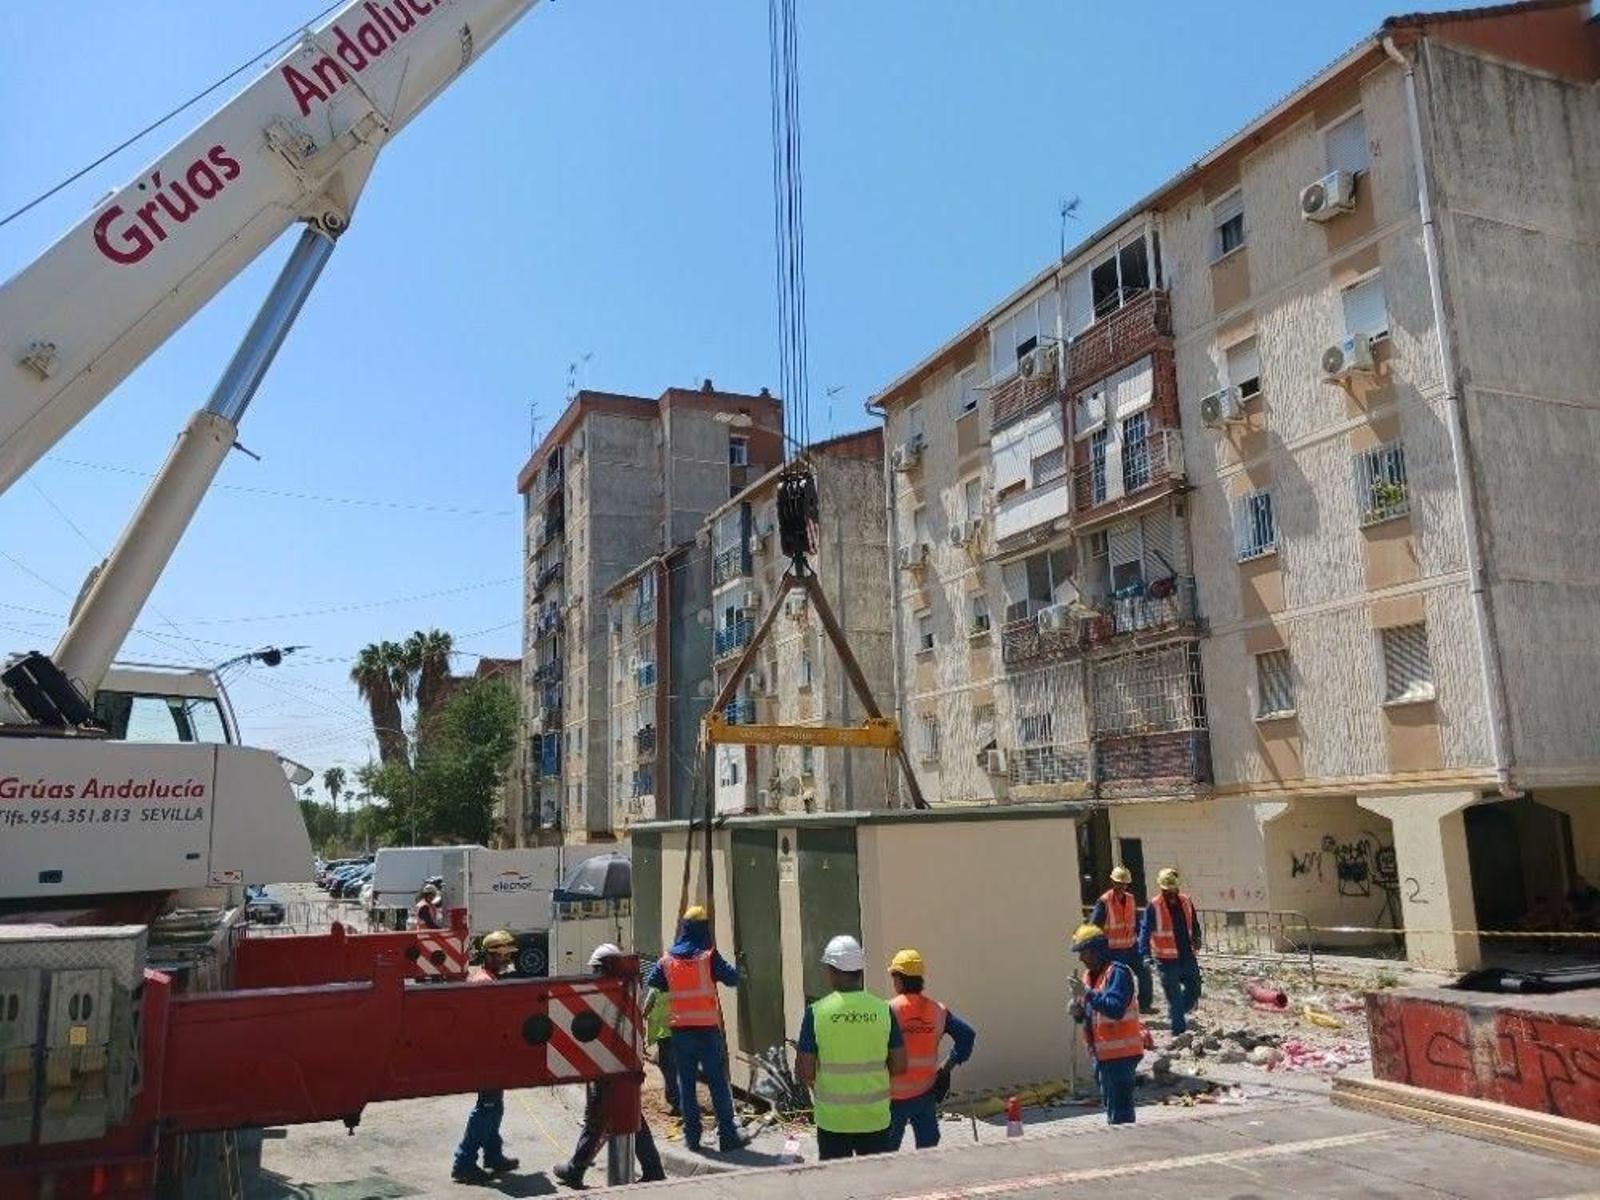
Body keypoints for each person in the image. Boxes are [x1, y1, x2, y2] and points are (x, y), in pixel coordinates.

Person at [553, 944, 666, 1188]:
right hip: (625, 1068)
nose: (593, 973)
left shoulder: (606, 995)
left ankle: (576, 1169)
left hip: (608, 1067)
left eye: (595, 969)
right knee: (631, 1115)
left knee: (597, 1118)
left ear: (603, 968)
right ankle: (653, 1168)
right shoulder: (630, 990)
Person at [643, 905, 745, 1153]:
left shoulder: (668, 959)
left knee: (686, 1086)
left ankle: (693, 1138)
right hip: (707, 1032)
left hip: (681, 1033)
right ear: (704, 929)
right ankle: (728, 1138)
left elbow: (653, 982)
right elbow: (732, 979)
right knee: (718, 1084)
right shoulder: (709, 957)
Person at [796, 935, 906, 1161]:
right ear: (859, 970)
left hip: (832, 1122)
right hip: (875, 1119)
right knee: (875, 1186)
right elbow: (900, 1065)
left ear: (834, 970)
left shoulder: (816, 1012)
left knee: (837, 1187)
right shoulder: (883, 1011)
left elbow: (806, 1072)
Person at [885, 948, 976, 1150]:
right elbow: (967, 1035)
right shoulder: (938, 1011)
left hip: (893, 1098)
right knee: (929, 1155)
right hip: (925, 1094)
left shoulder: (888, 1010)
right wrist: (946, 1067)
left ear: (898, 979)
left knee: (886, 1156)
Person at [451, 930, 520, 1183]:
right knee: (486, 1108)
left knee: (495, 1106)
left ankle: (492, 1155)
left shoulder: (486, 978)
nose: (508, 961)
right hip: (485, 1056)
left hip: (489, 1054)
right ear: (493, 955)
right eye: (505, 956)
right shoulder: (485, 982)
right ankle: (463, 1162)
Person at [1068, 923, 1143, 1125]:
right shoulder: (1089, 978)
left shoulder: (1117, 973)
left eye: (1083, 952)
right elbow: (1091, 1014)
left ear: (1097, 950)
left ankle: (1129, 1148)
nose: (1081, 958)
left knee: (1121, 1114)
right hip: (1102, 1055)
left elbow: (1115, 1008)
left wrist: (1086, 993)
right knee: (1112, 1108)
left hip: (1122, 1055)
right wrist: (1078, 1011)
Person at [1138, 867, 1202, 1035]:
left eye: (1173, 889)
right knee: (1174, 998)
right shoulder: (1154, 906)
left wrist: (1197, 938)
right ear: (1162, 889)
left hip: (1187, 956)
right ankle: (1179, 1034)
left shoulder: (1186, 901)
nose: (1171, 893)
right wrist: (1145, 954)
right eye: (1167, 891)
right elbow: (1144, 931)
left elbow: (1194, 924)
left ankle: (1175, 1013)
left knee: (1195, 989)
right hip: (1166, 960)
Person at [1091, 866, 1154, 1015]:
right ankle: (1113, 1007)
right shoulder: (1104, 902)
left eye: (1124, 884)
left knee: (1144, 971)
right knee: (1118, 980)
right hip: (1112, 950)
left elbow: (1135, 922)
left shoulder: (1131, 899)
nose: (1121, 887)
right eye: (1118, 883)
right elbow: (1094, 926)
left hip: (1131, 947)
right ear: (1112, 882)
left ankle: (1144, 1005)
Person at [638, 971, 680, 1116]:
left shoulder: (656, 989)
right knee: (673, 1067)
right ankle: (678, 1101)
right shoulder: (678, 987)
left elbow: (646, 1009)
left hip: (667, 1034)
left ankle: (677, 1103)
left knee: (669, 1068)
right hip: (675, 1033)